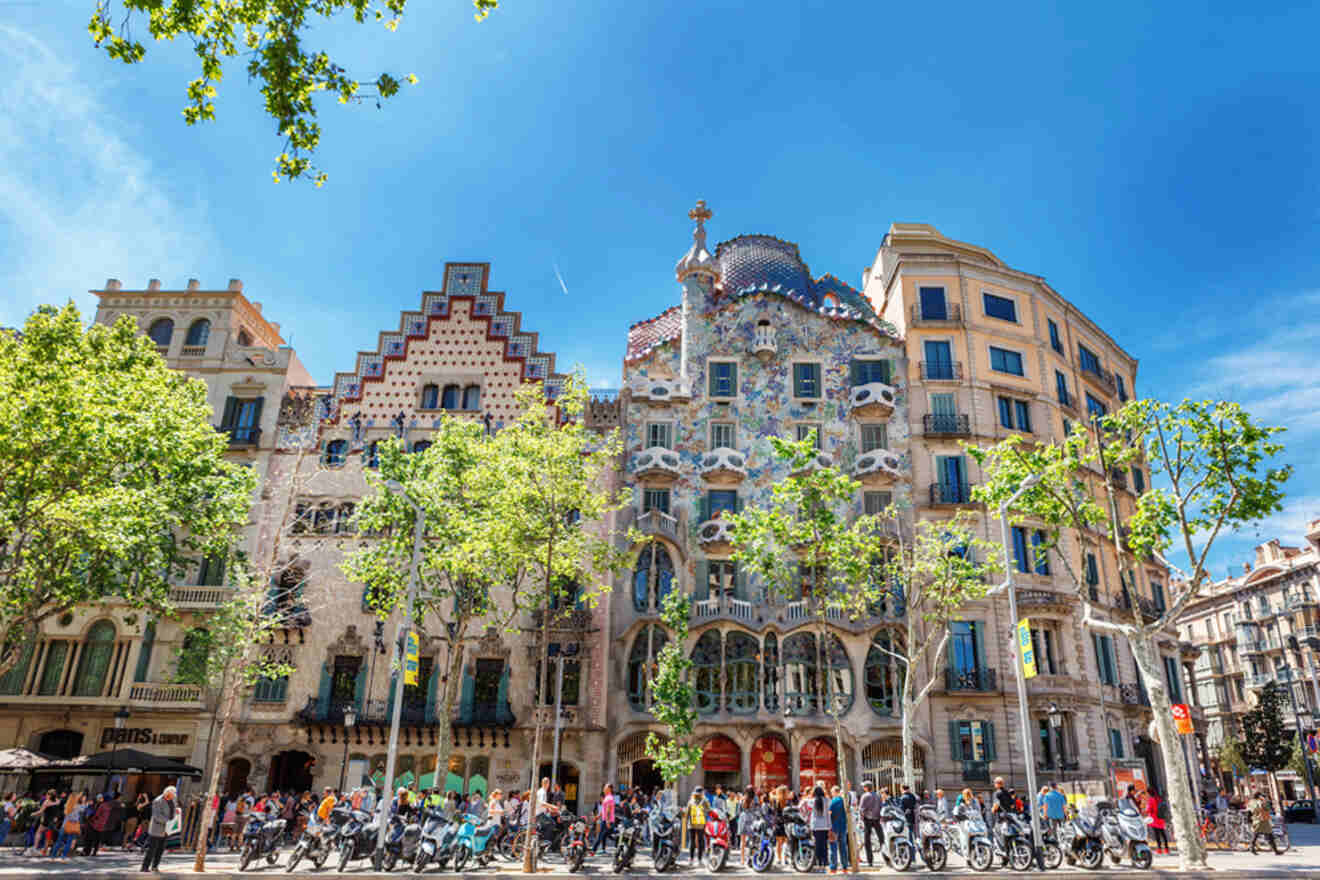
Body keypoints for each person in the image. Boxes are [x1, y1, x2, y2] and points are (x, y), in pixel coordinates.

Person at [140, 786, 177, 873]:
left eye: (173, 795)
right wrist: (167, 821)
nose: (173, 797)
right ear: (167, 793)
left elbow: (173, 811)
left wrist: (175, 815)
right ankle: (144, 867)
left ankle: (155, 866)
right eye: (172, 795)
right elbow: (157, 816)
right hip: (157, 828)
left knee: (160, 849)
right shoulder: (158, 801)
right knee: (152, 849)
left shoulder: (173, 800)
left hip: (167, 829)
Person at [1245, 789, 1279, 855]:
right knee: (1268, 834)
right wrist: (1265, 800)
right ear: (1259, 796)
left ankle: (1252, 847)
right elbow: (1267, 808)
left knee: (1257, 834)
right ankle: (1275, 850)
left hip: (1255, 819)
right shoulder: (1260, 802)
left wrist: (1249, 820)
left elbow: (1249, 811)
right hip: (1263, 820)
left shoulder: (1251, 802)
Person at [859, 781, 883, 867]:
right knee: (882, 839)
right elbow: (881, 806)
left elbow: (861, 809)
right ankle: (887, 856)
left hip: (867, 820)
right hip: (876, 819)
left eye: (863, 787)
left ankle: (870, 861)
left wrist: (861, 820)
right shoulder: (878, 795)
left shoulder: (865, 796)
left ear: (866, 788)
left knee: (867, 841)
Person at [828, 785, 850, 874]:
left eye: (831, 792)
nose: (831, 794)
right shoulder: (844, 801)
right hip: (843, 827)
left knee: (833, 848)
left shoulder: (833, 801)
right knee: (843, 847)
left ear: (834, 792)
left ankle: (833, 868)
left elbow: (829, 814)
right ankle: (845, 867)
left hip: (834, 827)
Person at [808, 785, 830, 872]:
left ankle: (818, 863)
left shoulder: (811, 801)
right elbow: (829, 814)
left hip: (815, 826)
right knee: (824, 845)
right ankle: (824, 863)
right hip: (825, 826)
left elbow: (809, 811)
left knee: (817, 845)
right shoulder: (827, 800)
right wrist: (830, 826)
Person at [1143, 784, 1169, 855]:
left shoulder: (1151, 800)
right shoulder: (1158, 798)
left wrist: (1145, 807)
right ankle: (1166, 849)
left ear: (1149, 793)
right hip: (1161, 818)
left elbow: (1148, 810)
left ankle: (1159, 849)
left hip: (1154, 820)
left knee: (1157, 835)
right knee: (1163, 834)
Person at [591, 784, 615, 855]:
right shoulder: (607, 798)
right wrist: (598, 817)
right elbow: (603, 810)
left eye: (605, 788)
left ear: (609, 789)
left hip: (607, 820)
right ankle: (602, 849)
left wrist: (607, 821)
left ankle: (593, 850)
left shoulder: (609, 798)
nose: (604, 789)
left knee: (601, 835)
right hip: (606, 820)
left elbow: (608, 810)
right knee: (604, 836)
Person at [687, 788, 707, 863]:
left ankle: (691, 859)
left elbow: (687, 813)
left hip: (691, 824)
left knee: (692, 841)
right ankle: (699, 859)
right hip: (701, 824)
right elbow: (709, 809)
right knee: (700, 841)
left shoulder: (690, 801)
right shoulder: (704, 801)